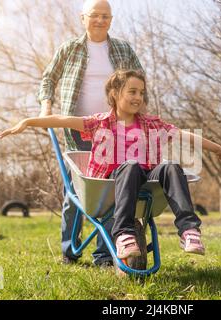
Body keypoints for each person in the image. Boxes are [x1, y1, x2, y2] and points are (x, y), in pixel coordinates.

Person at [1, 70, 221, 258]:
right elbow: (63, 119)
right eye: (132, 91)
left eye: (141, 92)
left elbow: (183, 136)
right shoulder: (100, 123)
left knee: (171, 167)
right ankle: (124, 233)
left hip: (144, 179)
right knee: (131, 164)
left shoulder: (151, 124)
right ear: (115, 94)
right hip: (112, 182)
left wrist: (218, 148)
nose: (138, 97)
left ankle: (188, 229)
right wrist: (28, 121)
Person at [38, 0, 144, 266]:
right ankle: (69, 252)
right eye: (95, 15)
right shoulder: (70, 48)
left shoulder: (122, 49)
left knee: (110, 190)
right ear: (82, 18)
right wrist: (46, 107)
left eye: (105, 16)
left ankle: (104, 255)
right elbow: (49, 78)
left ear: (111, 19)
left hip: (114, 132)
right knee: (76, 191)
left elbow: (139, 80)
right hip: (79, 131)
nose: (100, 20)